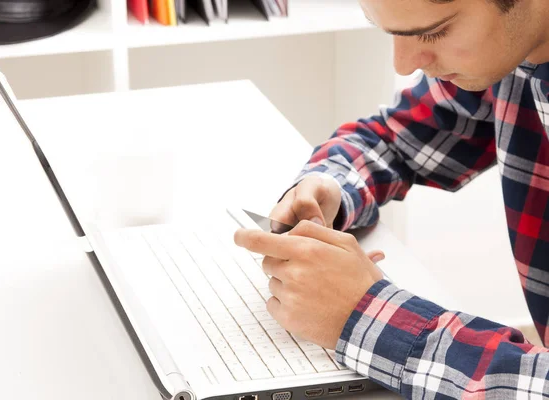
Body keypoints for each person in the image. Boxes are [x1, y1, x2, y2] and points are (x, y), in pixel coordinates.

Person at [233, 0, 549, 398]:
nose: (403, 65)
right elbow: (394, 141)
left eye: (434, 32)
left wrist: (365, 315)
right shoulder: (512, 55)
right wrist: (329, 186)